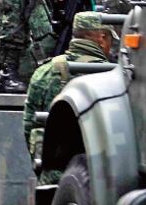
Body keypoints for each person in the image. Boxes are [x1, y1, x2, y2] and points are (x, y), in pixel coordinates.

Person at [22, 11, 115, 183]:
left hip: (52, 177)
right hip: (98, 179)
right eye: (110, 40)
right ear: (102, 39)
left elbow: (29, 124)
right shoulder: (112, 76)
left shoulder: (44, 71)